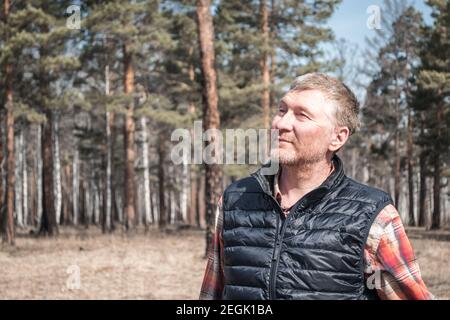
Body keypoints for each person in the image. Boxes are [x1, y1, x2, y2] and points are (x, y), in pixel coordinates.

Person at [199, 73, 433, 300]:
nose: (282, 123)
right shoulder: (235, 200)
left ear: (338, 137)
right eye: (282, 110)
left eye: (302, 116)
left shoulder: (373, 216)